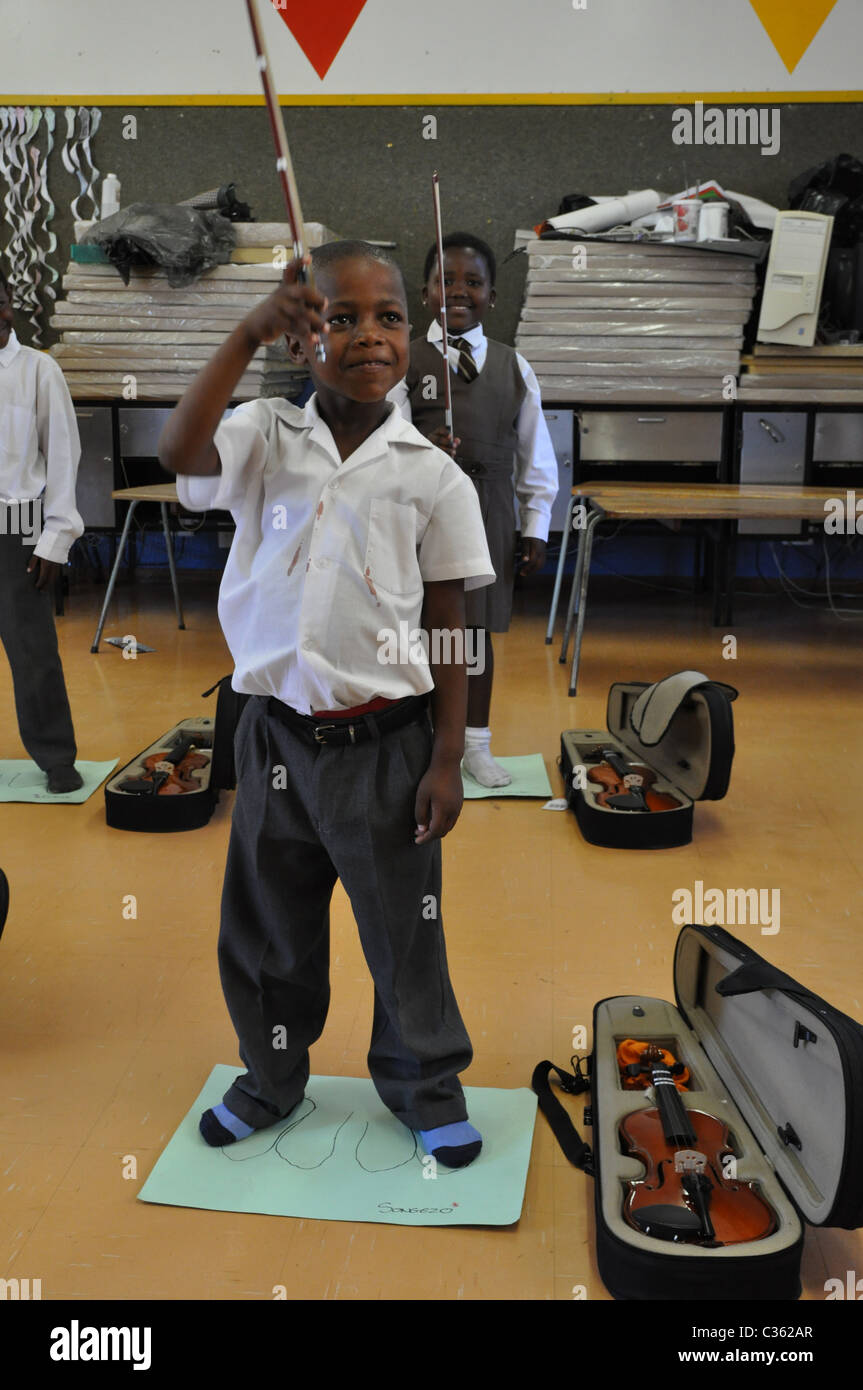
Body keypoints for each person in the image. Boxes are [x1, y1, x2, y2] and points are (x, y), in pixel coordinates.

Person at [159, 242, 494, 1169]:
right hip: (272, 737)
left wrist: (445, 755)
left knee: (402, 935)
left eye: (387, 317)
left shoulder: (431, 474)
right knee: (270, 935)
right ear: (306, 337)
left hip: (387, 748)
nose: (367, 335)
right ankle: (269, 1081)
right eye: (340, 318)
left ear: (411, 337)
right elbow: (178, 451)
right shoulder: (265, 432)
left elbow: (452, 620)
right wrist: (245, 332)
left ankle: (425, 1090)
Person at [392, 233, 558, 787]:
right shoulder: (403, 360)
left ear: (492, 294)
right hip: (419, 513)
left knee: (475, 632)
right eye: (446, 281)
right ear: (425, 292)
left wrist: (536, 527)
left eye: (473, 282)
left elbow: (537, 457)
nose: (458, 292)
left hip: (488, 512)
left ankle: (475, 745)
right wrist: (422, 445)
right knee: (415, 630)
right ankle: (419, 738)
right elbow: (378, 442)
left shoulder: (516, 368)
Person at [0, 265, 83, 794]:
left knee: (32, 652)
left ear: (6, 303)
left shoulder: (36, 371)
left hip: (17, 526)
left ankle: (55, 755)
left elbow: (63, 459)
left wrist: (56, 537)